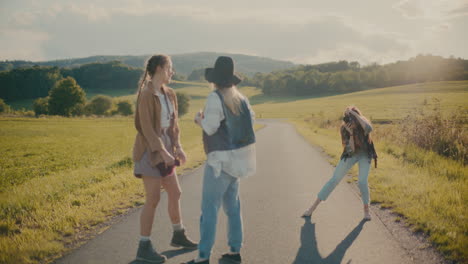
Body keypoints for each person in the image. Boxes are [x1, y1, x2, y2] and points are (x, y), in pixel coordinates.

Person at [183, 56, 256, 264]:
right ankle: (234, 250)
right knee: (233, 208)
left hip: (220, 161)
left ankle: (203, 256)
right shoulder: (241, 99)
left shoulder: (215, 98)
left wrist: (199, 119)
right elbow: (251, 122)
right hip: (239, 161)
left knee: (209, 209)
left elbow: (211, 127)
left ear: (214, 79)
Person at [132, 54, 197, 263]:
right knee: (153, 198)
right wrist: (162, 151)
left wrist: (178, 147)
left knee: (175, 192)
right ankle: (143, 247)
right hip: (149, 151)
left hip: (167, 148)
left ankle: (178, 234)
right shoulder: (146, 94)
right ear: (160, 68)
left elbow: (174, 125)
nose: (172, 72)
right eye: (170, 68)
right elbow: (146, 129)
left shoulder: (169, 93)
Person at [302, 106, 377, 221]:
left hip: (365, 154)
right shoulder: (344, 128)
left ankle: (366, 211)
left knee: (362, 181)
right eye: (348, 117)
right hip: (350, 154)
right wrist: (351, 133)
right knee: (334, 179)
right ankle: (312, 207)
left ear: (357, 117)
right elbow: (350, 150)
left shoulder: (364, 123)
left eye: (352, 117)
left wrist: (354, 114)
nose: (349, 120)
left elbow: (369, 128)